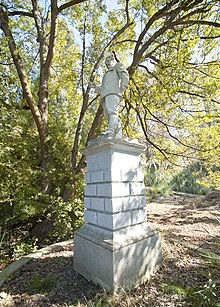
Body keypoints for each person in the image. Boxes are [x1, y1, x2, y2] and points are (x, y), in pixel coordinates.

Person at [92, 53, 129, 137]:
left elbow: (124, 73)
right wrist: (95, 87)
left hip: (113, 93)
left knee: (112, 112)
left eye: (108, 61)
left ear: (113, 60)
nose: (107, 63)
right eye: (106, 62)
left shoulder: (117, 66)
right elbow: (103, 88)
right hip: (105, 95)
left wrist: (123, 86)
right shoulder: (107, 74)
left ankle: (111, 130)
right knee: (109, 114)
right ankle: (118, 132)